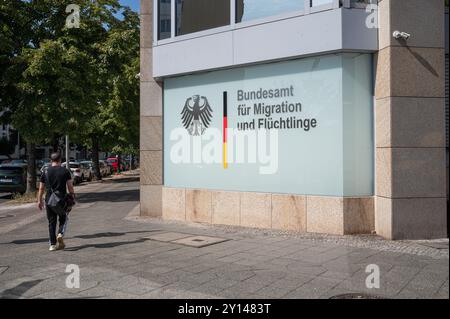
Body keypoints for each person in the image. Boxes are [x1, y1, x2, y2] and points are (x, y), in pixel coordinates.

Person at [37, 152, 75, 251]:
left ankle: (52, 245)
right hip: (61, 199)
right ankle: (60, 234)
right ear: (60, 160)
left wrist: (39, 200)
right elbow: (70, 186)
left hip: (49, 200)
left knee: (51, 222)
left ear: (51, 160)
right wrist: (72, 196)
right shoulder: (65, 171)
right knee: (64, 217)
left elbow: (41, 188)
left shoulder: (45, 171)